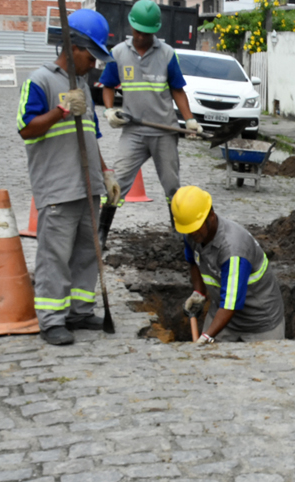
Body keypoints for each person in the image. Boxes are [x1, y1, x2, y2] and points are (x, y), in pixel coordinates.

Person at [16, 9, 120, 345]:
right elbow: (26, 129)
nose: (95, 64)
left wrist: (105, 172)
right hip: (58, 187)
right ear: (73, 47)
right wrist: (60, 111)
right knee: (54, 256)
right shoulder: (40, 80)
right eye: (92, 56)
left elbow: (92, 136)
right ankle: (51, 320)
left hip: (87, 186)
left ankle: (79, 311)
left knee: (87, 253)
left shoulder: (85, 89)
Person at [96, 0, 201, 248]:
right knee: (116, 181)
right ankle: (101, 232)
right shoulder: (119, 53)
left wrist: (190, 119)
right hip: (133, 131)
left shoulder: (166, 54)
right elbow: (108, 86)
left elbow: (177, 90)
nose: (141, 36)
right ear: (132, 27)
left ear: (155, 31)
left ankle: (179, 233)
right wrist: (110, 110)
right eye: (137, 31)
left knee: (172, 184)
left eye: (146, 32)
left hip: (164, 130)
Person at [171, 186, 286, 344]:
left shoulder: (234, 250)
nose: (191, 234)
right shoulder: (192, 234)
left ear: (211, 215)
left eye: (195, 228)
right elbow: (194, 262)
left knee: (263, 368)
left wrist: (206, 337)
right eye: (188, 229)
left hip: (260, 323)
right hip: (222, 314)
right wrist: (199, 292)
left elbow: (230, 304)